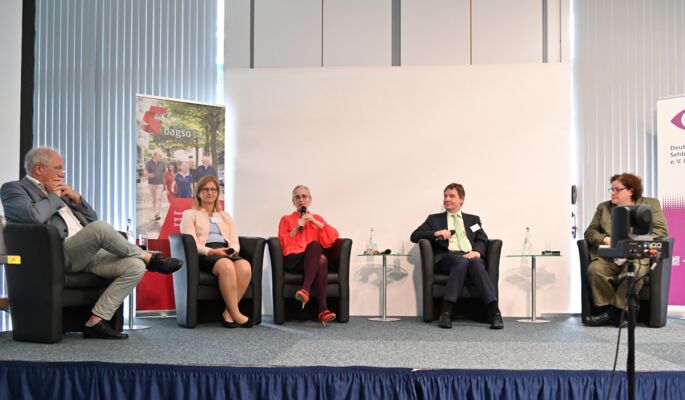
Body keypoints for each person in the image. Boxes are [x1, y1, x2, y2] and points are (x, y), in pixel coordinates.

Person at [0, 147, 183, 339]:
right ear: (39, 169)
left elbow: (91, 219)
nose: (62, 173)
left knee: (134, 266)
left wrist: (77, 200)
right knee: (101, 228)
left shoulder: (61, 190)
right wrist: (53, 196)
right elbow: (33, 217)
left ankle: (96, 321)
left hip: (86, 251)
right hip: (56, 254)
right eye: (58, 168)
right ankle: (149, 258)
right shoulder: (14, 189)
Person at [410, 183, 503, 330]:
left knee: (476, 263)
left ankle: (494, 313)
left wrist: (477, 251)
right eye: (445, 196)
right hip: (447, 257)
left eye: (451, 196)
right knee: (461, 262)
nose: (447, 199)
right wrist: (436, 233)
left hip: (469, 256)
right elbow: (415, 236)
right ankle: (446, 312)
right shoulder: (434, 220)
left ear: (462, 199)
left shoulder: (473, 220)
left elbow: (482, 238)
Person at [584, 173, 669, 327]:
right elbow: (590, 232)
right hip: (611, 255)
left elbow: (661, 230)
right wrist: (605, 239)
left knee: (632, 272)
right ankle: (612, 311)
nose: (612, 193)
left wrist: (634, 240)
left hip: (637, 254)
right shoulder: (604, 207)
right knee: (594, 270)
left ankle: (614, 312)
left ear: (630, 190)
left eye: (617, 190)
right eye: (612, 189)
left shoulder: (650, 205)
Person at [180, 176, 253, 328]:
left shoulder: (225, 216)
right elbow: (191, 243)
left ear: (217, 193)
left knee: (245, 266)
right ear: (198, 193)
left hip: (225, 251)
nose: (209, 192)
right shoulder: (190, 214)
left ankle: (228, 312)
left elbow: (234, 240)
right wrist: (212, 252)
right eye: (205, 189)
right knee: (226, 265)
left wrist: (232, 250)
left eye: (213, 189)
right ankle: (237, 314)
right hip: (204, 253)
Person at [278, 185, 339, 326]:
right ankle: (320, 306)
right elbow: (284, 245)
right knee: (317, 249)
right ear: (293, 201)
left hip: (313, 261)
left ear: (310, 200)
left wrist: (316, 222)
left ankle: (316, 302)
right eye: (297, 197)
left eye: (304, 196)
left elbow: (332, 238)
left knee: (321, 257)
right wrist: (295, 228)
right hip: (295, 261)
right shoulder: (286, 219)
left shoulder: (316, 218)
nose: (301, 200)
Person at [144, 150, 165, 221]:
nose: (161, 157)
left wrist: (165, 184)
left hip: (160, 183)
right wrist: (150, 175)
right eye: (160, 156)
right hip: (151, 184)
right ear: (155, 156)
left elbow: (164, 174)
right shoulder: (148, 163)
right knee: (154, 199)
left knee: (158, 198)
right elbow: (145, 173)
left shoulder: (162, 163)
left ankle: (157, 213)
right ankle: (155, 212)